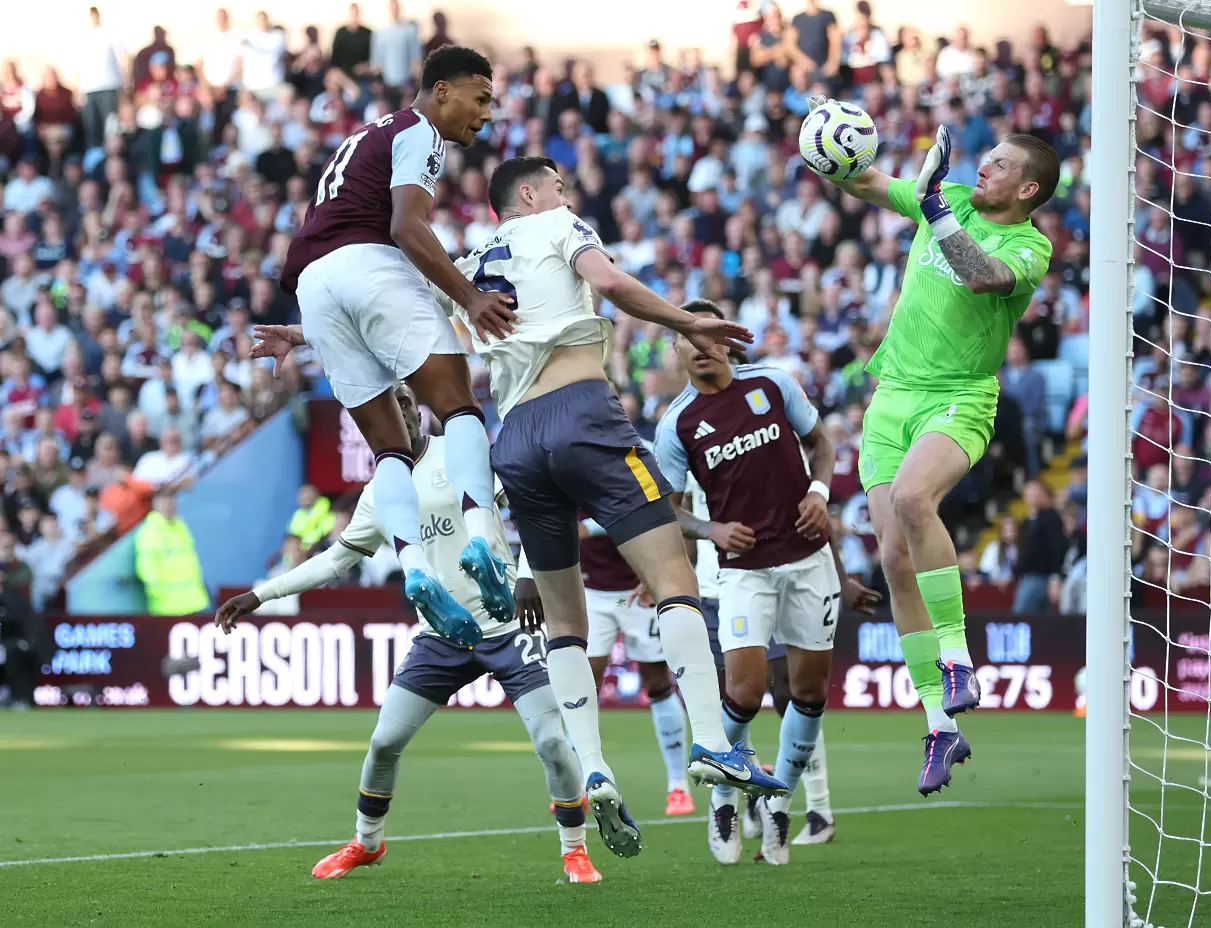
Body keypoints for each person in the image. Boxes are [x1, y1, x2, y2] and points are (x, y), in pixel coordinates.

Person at [252, 156, 788, 863]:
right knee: (673, 581)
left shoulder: (470, 265)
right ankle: (714, 746)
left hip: (516, 438)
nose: (568, 193)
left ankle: (592, 764)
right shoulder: (558, 224)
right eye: (560, 184)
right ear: (531, 194)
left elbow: (391, 328)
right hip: (582, 413)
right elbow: (611, 284)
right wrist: (687, 321)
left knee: (565, 621)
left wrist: (297, 336)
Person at [215, 385, 601, 884]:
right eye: (386, 410)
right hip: (440, 636)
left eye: (404, 405)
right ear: (370, 423)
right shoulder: (380, 491)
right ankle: (366, 842)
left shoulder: (462, 452)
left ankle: (574, 849)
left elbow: (535, 507)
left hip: (507, 626)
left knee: (551, 740)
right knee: (383, 743)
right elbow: (337, 559)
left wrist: (528, 574)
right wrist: (262, 595)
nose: (400, 416)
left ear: (417, 412)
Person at [806, 105, 1057, 794]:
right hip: (890, 399)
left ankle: (957, 658)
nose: (985, 165)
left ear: (1027, 190)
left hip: (959, 398)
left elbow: (981, 275)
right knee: (891, 556)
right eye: (987, 157)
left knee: (916, 500)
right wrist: (825, 153)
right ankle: (940, 727)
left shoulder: (1030, 247)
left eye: (1001, 163)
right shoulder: (943, 196)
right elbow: (864, 185)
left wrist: (931, 211)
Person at [267, 45, 518, 647]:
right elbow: (406, 227)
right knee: (458, 407)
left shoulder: (363, 138)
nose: (484, 115)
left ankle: (414, 570)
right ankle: (483, 540)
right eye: (478, 98)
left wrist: (304, 332)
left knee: (390, 451)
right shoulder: (420, 132)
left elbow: (336, 243)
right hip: (368, 261)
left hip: (313, 286)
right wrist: (470, 296)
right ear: (440, 91)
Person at [655, 298, 876, 865]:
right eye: (689, 337)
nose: (702, 346)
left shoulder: (774, 385)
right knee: (746, 692)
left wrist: (820, 495)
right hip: (743, 571)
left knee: (805, 693)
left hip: (809, 560)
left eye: (711, 336)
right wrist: (712, 528)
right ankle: (725, 794)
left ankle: (780, 800)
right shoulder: (676, 424)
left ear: (729, 341)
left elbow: (821, 444)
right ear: (676, 348)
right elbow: (668, 510)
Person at [580, 514, 694, 817]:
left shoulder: (623, 467)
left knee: (658, 683)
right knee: (583, 688)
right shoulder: (564, 468)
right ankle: (580, 785)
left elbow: (631, 511)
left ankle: (678, 786)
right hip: (590, 592)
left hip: (638, 588)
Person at [135, 492, 209, 616]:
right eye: (164, 502)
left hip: (194, 601)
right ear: (155, 505)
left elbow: (190, 560)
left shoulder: (180, 526)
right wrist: (158, 593)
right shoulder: (149, 532)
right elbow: (147, 567)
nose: (169, 506)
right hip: (167, 606)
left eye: (172, 501)